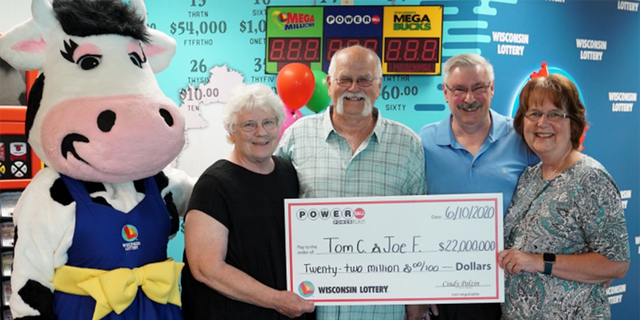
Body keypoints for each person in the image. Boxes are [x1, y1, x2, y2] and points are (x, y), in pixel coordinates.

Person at [276, 45, 428, 320]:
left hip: (381, 306)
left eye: (364, 80)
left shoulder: (407, 144)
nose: (354, 88)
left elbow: (417, 227)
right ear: (329, 83)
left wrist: (416, 299)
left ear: (379, 85)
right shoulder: (296, 137)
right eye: (345, 79)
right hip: (309, 302)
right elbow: (275, 212)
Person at [498, 73, 630, 319]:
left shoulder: (591, 178)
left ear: (574, 123)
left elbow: (616, 264)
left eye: (555, 114)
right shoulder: (529, 176)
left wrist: (539, 261)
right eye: (534, 113)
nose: (542, 123)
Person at [418, 53, 539, 320]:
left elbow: (554, 196)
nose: (470, 99)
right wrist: (418, 286)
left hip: (510, 285)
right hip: (443, 287)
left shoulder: (522, 138)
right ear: (446, 93)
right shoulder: (423, 142)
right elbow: (409, 216)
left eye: (478, 88)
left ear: (492, 89)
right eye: (459, 89)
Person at [181, 83, 316, 320]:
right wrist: (276, 300)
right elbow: (206, 269)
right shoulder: (214, 185)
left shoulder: (287, 172)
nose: (261, 132)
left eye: (268, 122)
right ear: (232, 131)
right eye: (249, 125)